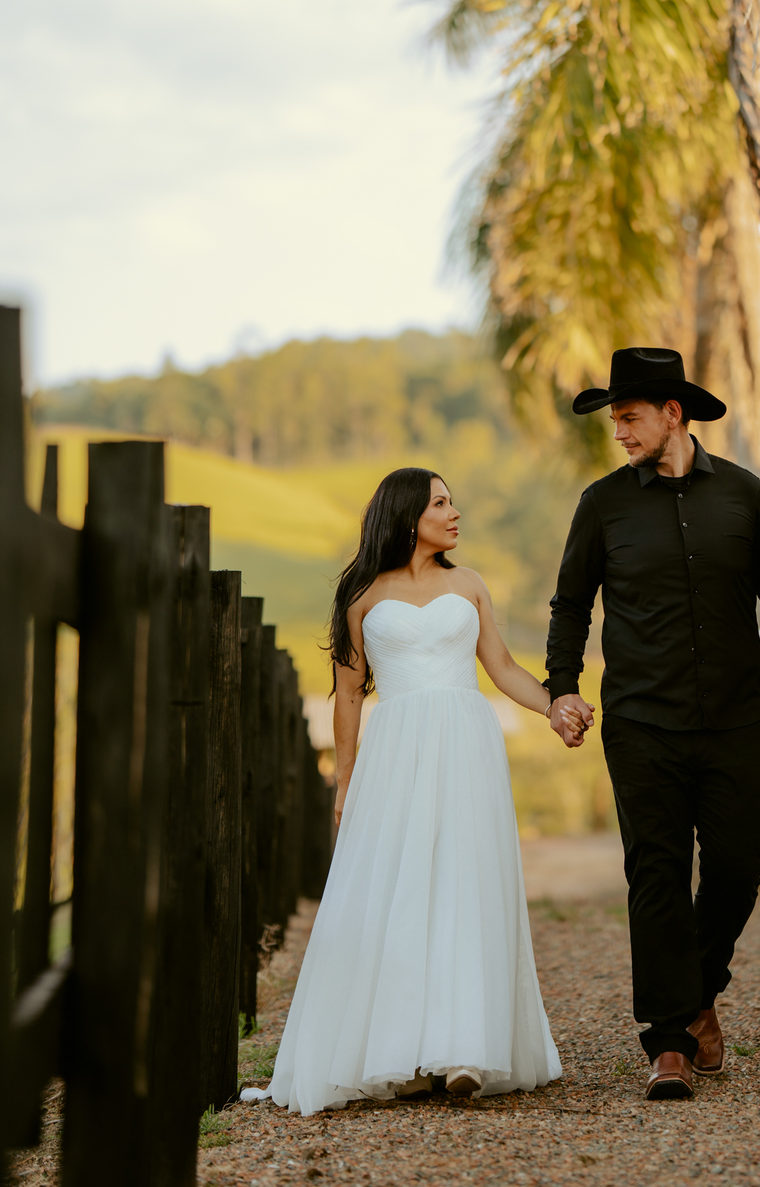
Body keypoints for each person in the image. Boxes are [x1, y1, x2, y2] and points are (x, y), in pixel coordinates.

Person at [544, 348, 760, 1100]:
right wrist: (561, 690)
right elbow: (570, 606)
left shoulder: (743, 495)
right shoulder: (602, 505)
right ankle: (670, 1042)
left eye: (628, 417)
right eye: (614, 420)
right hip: (643, 723)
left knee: (741, 867)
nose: (618, 432)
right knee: (655, 875)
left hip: (738, 721)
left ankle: (697, 990)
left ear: (672, 414)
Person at [242, 467, 575, 1114]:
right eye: (441, 503)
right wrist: (346, 779)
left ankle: (463, 1050)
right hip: (394, 753)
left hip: (466, 745)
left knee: (463, 884)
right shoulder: (362, 595)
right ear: (406, 515)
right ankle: (402, 1047)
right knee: (398, 891)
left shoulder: (469, 584)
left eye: (453, 501)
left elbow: (502, 669)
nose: (455, 513)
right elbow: (346, 695)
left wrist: (554, 709)